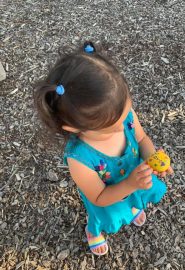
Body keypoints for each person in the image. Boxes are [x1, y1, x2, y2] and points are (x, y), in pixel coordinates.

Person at [34, 41, 174, 256]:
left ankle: (133, 206)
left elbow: (142, 138)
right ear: (73, 128)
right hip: (109, 196)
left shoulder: (122, 116)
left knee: (133, 203)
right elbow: (98, 197)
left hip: (133, 181)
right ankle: (93, 230)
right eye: (111, 127)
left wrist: (152, 157)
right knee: (103, 215)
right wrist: (130, 183)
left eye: (125, 112)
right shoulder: (80, 159)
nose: (122, 128)